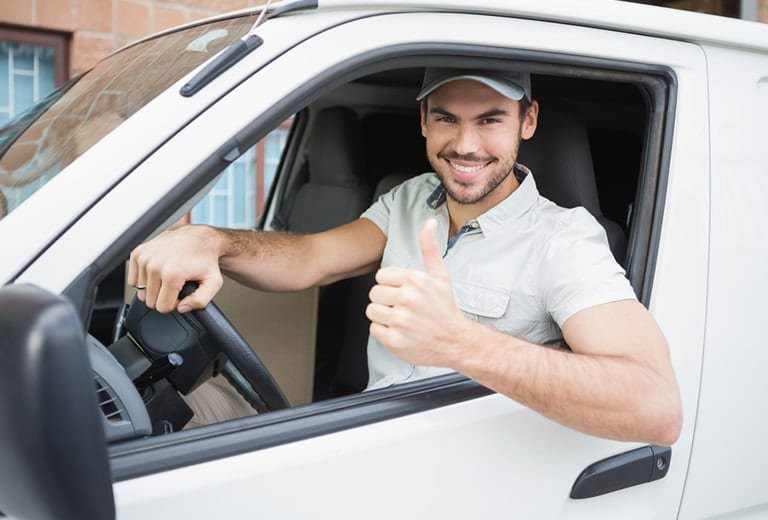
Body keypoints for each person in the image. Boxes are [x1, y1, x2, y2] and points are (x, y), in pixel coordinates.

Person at [129, 67, 682, 445]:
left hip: (445, 473)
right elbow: (311, 259)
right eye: (447, 118)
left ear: (528, 122)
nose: (465, 145)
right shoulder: (412, 197)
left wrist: (459, 342)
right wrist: (214, 241)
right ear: (422, 120)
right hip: (362, 431)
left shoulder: (564, 241)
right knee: (143, 427)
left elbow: (656, 407)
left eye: (490, 120)